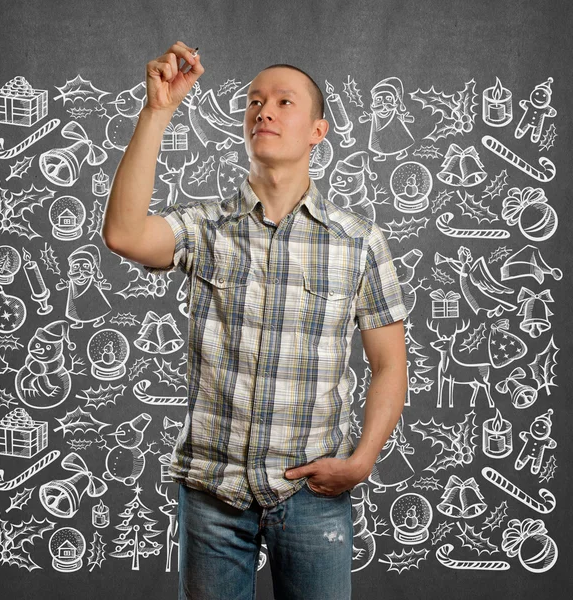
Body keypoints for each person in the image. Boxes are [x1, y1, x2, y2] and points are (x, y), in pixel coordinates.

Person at [102, 41, 409, 600]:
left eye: (283, 102)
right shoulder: (204, 227)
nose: (263, 110)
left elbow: (389, 364)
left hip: (313, 496)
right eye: (254, 101)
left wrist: (361, 462)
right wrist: (158, 111)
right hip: (211, 495)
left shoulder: (359, 240)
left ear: (318, 132)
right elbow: (123, 234)